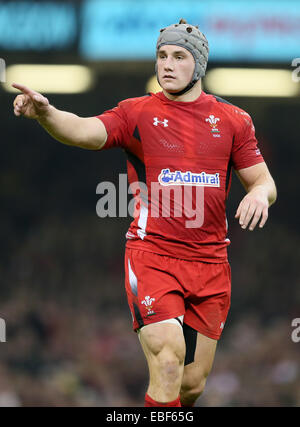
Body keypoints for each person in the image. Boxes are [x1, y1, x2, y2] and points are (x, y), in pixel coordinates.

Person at [12, 19, 277, 407]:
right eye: (162, 55)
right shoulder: (137, 113)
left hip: (211, 264)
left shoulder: (234, 120)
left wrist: (259, 195)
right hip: (153, 256)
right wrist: (47, 114)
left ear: (199, 65)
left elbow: (264, 181)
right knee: (169, 358)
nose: (167, 64)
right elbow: (85, 131)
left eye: (179, 57)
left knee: (191, 384)